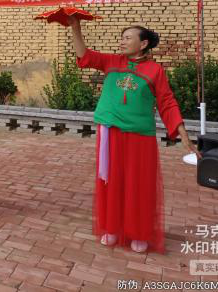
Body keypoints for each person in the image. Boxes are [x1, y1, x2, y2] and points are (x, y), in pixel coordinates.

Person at [67, 15, 200, 253]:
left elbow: (167, 102)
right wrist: (76, 27)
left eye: (128, 38)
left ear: (143, 44)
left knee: (138, 183)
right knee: (111, 180)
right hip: (110, 132)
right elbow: (84, 56)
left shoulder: (155, 70)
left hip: (140, 134)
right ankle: (112, 228)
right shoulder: (112, 62)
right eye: (122, 37)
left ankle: (138, 232)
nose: (122, 41)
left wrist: (183, 133)